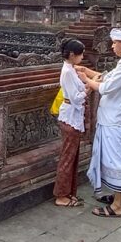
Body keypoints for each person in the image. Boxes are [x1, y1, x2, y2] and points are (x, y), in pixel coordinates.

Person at [78, 27, 121, 217]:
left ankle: (118, 205)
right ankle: (118, 196)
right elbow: (107, 76)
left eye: (114, 43)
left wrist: (85, 80)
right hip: (111, 118)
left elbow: (105, 87)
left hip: (115, 119)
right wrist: (87, 71)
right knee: (111, 157)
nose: (112, 46)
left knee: (117, 159)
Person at [53, 38, 88, 208]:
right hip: (70, 117)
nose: (82, 57)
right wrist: (90, 88)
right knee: (67, 157)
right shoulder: (67, 71)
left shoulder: (71, 69)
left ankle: (68, 192)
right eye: (81, 54)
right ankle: (61, 195)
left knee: (72, 157)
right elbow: (75, 98)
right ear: (72, 54)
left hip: (73, 117)